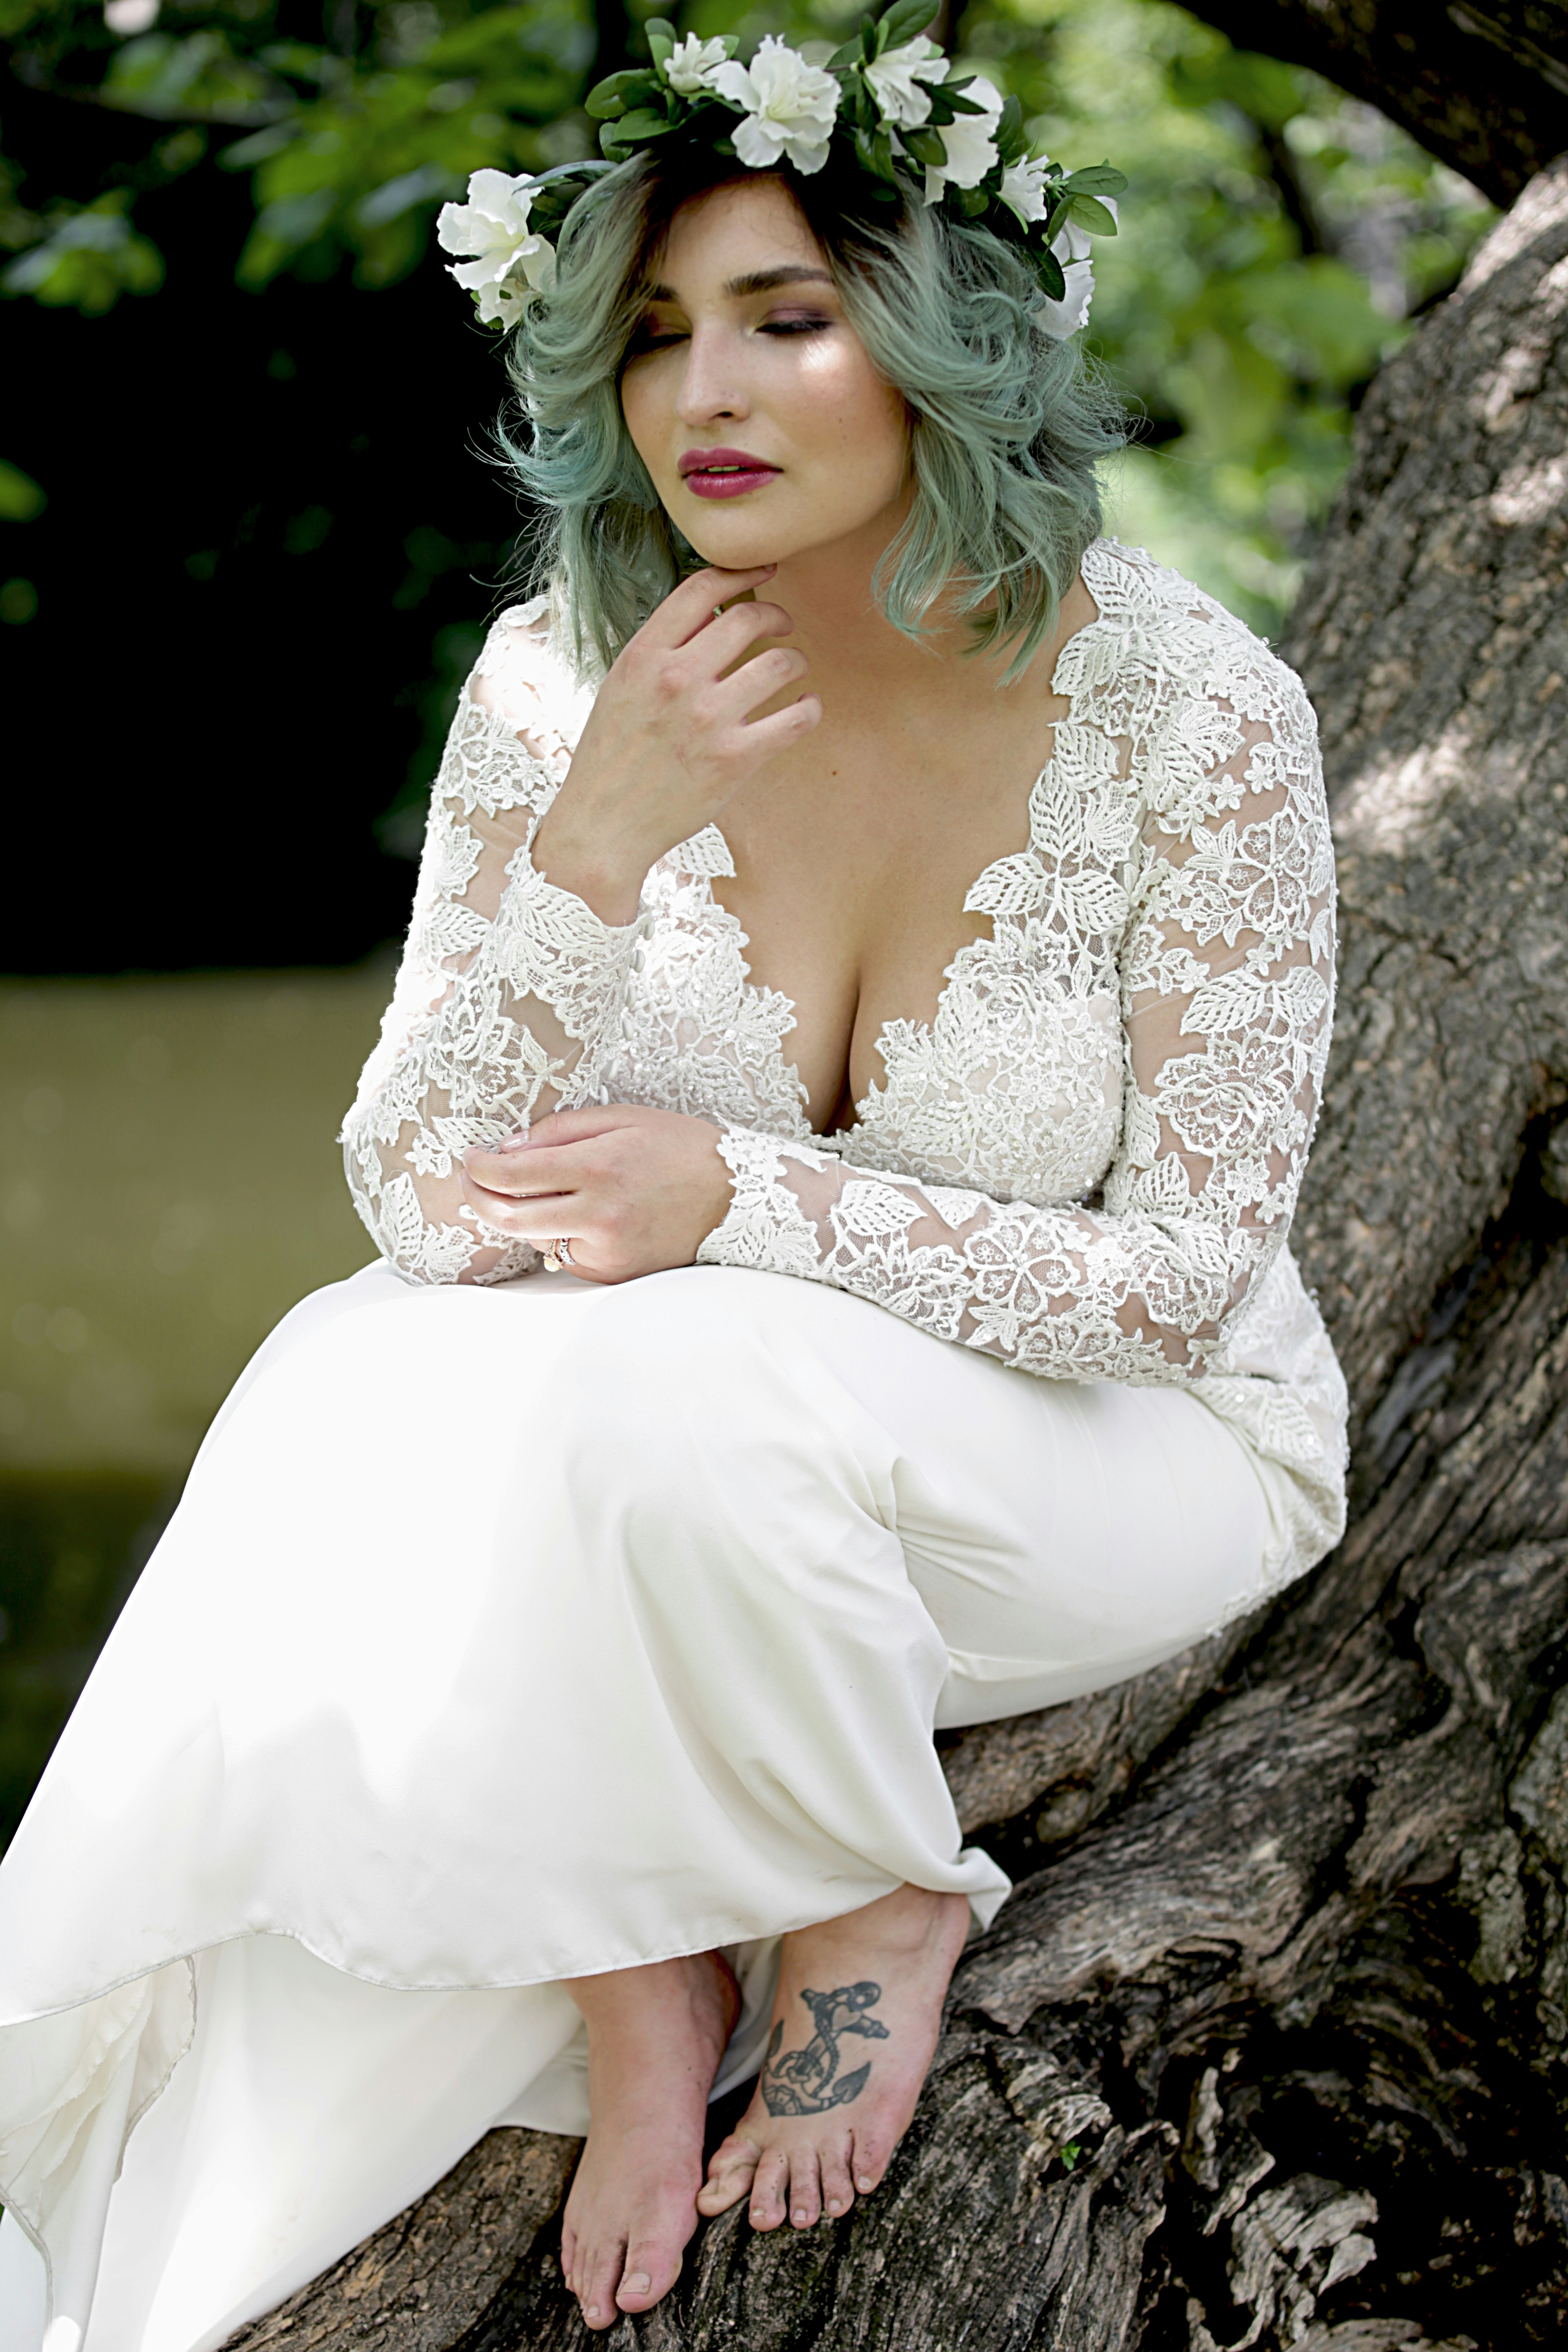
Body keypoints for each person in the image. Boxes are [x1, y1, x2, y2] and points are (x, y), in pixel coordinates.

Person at [0, 11, 1348, 2343]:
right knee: (353, 1368)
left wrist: (739, 1198)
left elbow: (1178, 1282)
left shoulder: (1189, 708)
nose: (697, 389)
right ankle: (645, 1981)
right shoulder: (564, 679)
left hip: (1127, 1449)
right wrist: (591, 843)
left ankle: (869, 1894)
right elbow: (425, 1200)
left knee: (663, 1385)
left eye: (783, 319)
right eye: (647, 336)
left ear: (941, 348)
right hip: (673, 1478)